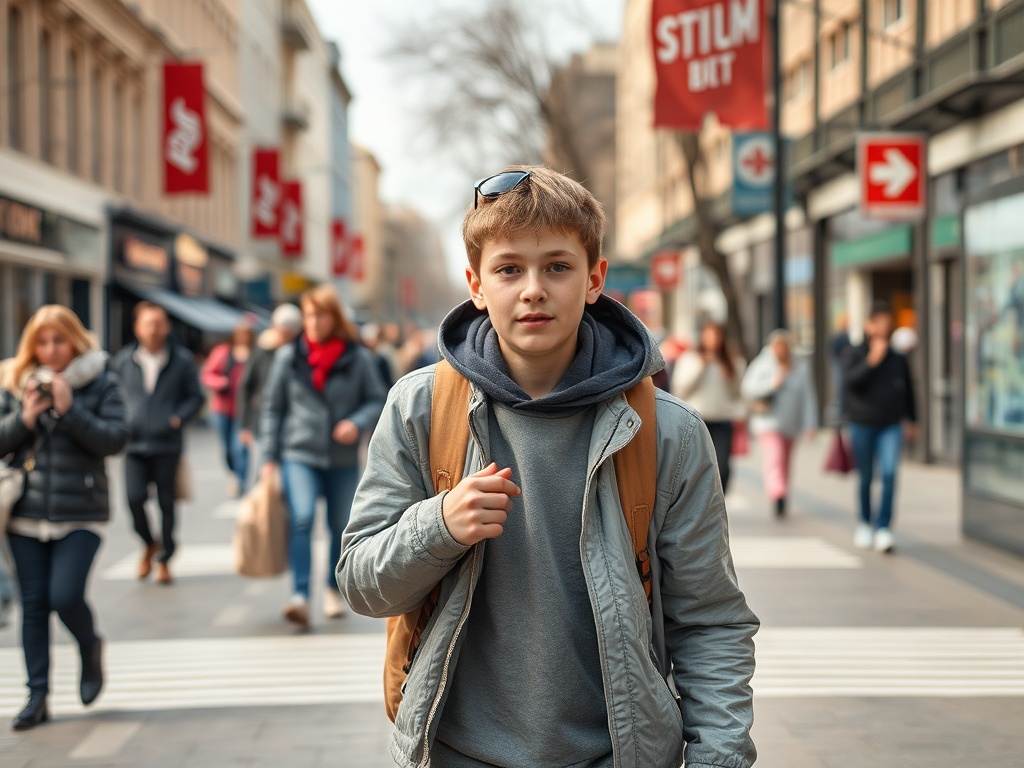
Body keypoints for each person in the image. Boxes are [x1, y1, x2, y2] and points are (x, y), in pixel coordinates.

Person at [338, 166, 758, 768]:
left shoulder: (668, 432)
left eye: (557, 267)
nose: (533, 289)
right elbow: (360, 581)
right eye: (509, 269)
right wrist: (439, 527)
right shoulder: (423, 408)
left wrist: (718, 760)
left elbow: (710, 622)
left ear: (594, 279)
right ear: (476, 285)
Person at [0, 305, 128, 729]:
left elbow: (114, 440)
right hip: (25, 514)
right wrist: (24, 418)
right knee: (33, 606)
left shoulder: (101, 382)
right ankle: (37, 696)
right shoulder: (15, 384)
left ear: (75, 340)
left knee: (65, 596)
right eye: (42, 341)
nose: (51, 350)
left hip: (81, 514)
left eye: (59, 340)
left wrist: (70, 411)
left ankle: (90, 647)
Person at [260, 286, 387, 627]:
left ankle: (332, 588)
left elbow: (377, 399)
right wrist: (267, 459)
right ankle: (300, 595)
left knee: (339, 526)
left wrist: (355, 422)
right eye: (309, 315)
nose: (314, 322)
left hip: (341, 456)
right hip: (297, 452)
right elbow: (273, 409)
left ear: (334, 318)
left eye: (321, 314)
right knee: (301, 519)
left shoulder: (357, 358)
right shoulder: (289, 357)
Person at [110, 302, 203, 585]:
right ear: (137, 327)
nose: (153, 329)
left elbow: (196, 397)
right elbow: (112, 396)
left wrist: (177, 418)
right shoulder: (124, 361)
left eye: (159, 323)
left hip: (166, 445)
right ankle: (149, 543)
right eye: (148, 323)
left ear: (167, 327)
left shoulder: (182, 360)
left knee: (166, 503)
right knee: (133, 499)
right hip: (134, 445)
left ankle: (165, 558)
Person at [843, 302, 918, 553]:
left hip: (891, 426)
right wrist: (872, 361)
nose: (884, 326)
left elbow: (909, 390)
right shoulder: (855, 353)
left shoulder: (898, 358)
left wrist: (912, 419)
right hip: (862, 424)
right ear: (869, 325)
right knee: (866, 477)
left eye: (888, 321)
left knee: (889, 474)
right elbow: (850, 383)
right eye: (880, 321)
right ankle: (865, 523)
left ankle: (883, 527)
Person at [741, 329, 818, 518]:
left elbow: (808, 397)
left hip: (791, 424)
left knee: (785, 461)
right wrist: (771, 384)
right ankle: (778, 494)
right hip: (768, 422)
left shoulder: (800, 367)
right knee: (775, 457)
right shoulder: (762, 365)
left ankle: (782, 491)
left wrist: (810, 424)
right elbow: (748, 389)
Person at [670, 319, 747, 493]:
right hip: (695, 421)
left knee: (723, 467)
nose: (713, 339)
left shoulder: (731, 361)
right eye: (709, 334)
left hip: (722, 420)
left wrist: (730, 374)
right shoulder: (690, 359)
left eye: (717, 334)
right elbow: (680, 388)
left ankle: (717, 499)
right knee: (695, 466)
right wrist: (701, 367)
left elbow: (738, 392)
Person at [237, 303, 303, 453]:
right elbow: (246, 385)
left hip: (293, 425)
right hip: (262, 419)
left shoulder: (302, 353)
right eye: (283, 332)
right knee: (263, 465)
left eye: (290, 334)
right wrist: (244, 424)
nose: (285, 338)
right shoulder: (263, 349)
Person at [200, 321, 256, 496]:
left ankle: (242, 481)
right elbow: (207, 374)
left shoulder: (254, 355)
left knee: (239, 447)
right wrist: (220, 383)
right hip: (222, 409)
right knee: (227, 449)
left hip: (245, 410)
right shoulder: (223, 352)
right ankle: (233, 473)